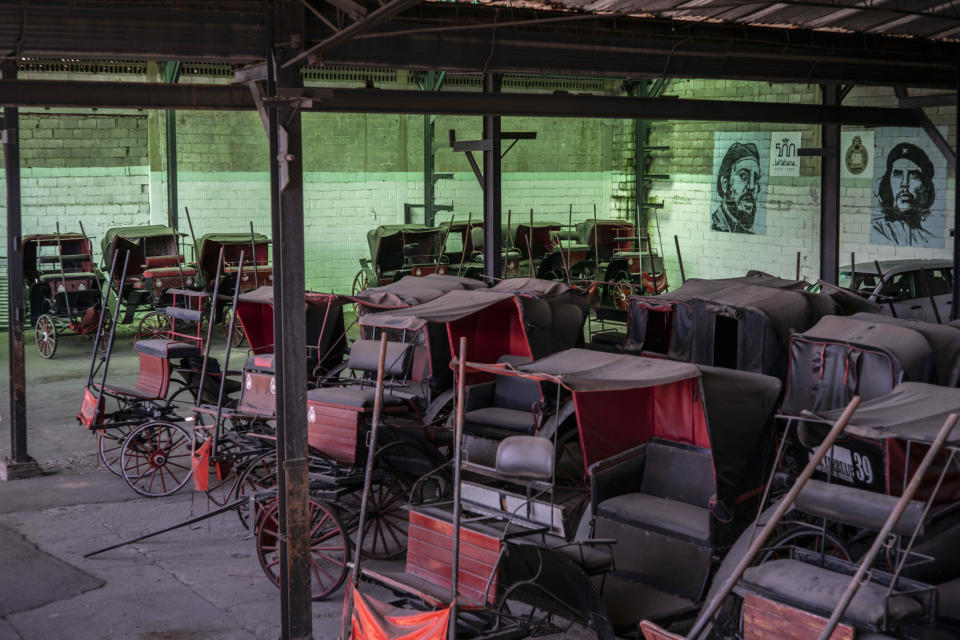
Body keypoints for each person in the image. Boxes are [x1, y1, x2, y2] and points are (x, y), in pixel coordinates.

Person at [872, 142, 936, 246]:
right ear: (888, 182)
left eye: (913, 175)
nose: (904, 184)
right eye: (897, 174)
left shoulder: (927, 240)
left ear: (925, 185)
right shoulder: (877, 230)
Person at [711, 142, 762, 234]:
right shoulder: (714, 225)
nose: (751, 186)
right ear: (725, 184)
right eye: (743, 176)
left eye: (755, 178)